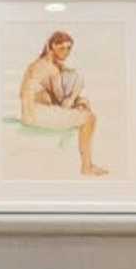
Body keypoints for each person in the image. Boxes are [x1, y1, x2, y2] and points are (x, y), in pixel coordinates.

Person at [13, 28, 106, 176]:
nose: (66, 52)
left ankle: (87, 165)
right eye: (61, 48)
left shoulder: (37, 64)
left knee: (83, 105)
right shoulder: (52, 70)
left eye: (69, 48)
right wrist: (77, 94)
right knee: (89, 117)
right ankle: (86, 166)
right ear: (51, 46)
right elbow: (63, 104)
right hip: (37, 115)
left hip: (29, 113)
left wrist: (77, 101)